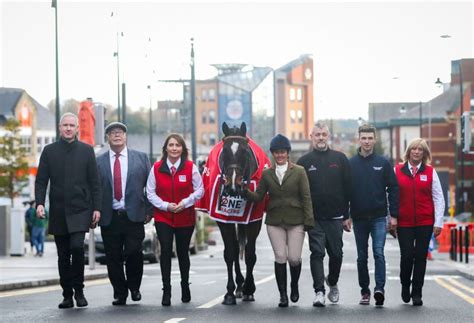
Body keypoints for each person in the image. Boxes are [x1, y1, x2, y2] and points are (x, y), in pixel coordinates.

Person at [35, 112, 101, 309]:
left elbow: (95, 183)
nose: (69, 128)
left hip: (81, 209)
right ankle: (67, 294)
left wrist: (97, 207)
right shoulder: (49, 151)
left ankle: (79, 291)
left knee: (77, 247)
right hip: (58, 210)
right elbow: (41, 181)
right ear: (59, 127)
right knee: (63, 254)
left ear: (77, 128)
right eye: (65, 125)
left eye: (72, 125)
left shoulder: (87, 151)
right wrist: (40, 203)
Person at [245, 134, 314, 307]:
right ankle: (283, 294)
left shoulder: (299, 171)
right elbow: (259, 196)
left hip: (296, 220)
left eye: (283, 152)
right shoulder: (267, 173)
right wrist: (242, 189)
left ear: (288, 153)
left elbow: (306, 197)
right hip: (275, 221)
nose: (280, 155)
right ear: (273, 154)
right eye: (276, 152)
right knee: (280, 256)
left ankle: (294, 285)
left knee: (294, 258)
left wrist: (309, 220)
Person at [96, 122, 152, 306]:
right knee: (113, 258)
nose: (117, 135)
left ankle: (134, 287)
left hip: (134, 215)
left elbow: (151, 187)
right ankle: (120, 293)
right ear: (108, 138)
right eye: (112, 133)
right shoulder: (99, 161)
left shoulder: (141, 158)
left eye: (120, 132)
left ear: (126, 136)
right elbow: (94, 189)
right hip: (110, 216)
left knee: (134, 253)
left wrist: (149, 210)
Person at [297, 122, 351, 307]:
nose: (320, 138)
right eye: (317, 134)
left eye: (323, 134)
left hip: (336, 217)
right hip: (315, 218)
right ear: (311, 136)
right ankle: (319, 291)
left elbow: (348, 189)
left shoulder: (340, 159)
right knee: (317, 253)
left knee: (336, 254)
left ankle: (332, 282)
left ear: (328, 137)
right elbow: (298, 191)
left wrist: (347, 215)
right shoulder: (303, 162)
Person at [146, 133, 204, 306]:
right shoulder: (156, 168)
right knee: (165, 251)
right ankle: (166, 290)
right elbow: (150, 192)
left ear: (182, 149)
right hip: (163, 216)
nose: (174, 148)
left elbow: (200, 190)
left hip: (185, 217)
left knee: (182, 252)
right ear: (165, 149)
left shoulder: (190, 167)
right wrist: (165, 205)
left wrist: (185, 203)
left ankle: (185, 286)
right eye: (171, 145)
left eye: (177, 145)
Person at [348, 124, 399, 306]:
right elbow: (346, 191)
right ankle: (365, 292)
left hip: (378, 217)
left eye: (370, 138)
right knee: (362, 257)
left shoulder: (383, 163)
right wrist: (347, 215)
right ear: (359, 139)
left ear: (374, 140)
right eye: (364, 138)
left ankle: (379, 289)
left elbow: (393, 188)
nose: (367, 141)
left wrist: (393, 215)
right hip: (359, 218)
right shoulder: (351, 164)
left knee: (379, 253)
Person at [394, 138, 445, 306]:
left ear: (424, 153)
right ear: (408, 152)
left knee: (421, 257)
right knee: (407, 256)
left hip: (425, 222)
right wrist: (391, 218)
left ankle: (417, 292)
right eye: (414, 149)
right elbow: (391, 197)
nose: (416, 152)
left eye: (420, 150)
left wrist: (438, 222)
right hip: (404, 223)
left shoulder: (430, 172)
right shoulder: (398, 170)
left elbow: (438, 198)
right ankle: (404, 285)